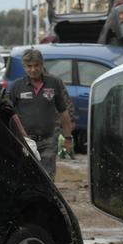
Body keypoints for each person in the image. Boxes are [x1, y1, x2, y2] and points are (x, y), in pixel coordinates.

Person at [9, 48, 73, 181]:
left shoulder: (53, 83)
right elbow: (9, 113)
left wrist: (68, 137)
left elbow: (63, 111)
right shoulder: (16, 86)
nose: (33, 69)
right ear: (24, 67)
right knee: (26, 176)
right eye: (29, 66)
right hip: (26, 141)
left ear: (42, 64)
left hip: (48, 140)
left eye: (36, 65)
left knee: (47, 178)